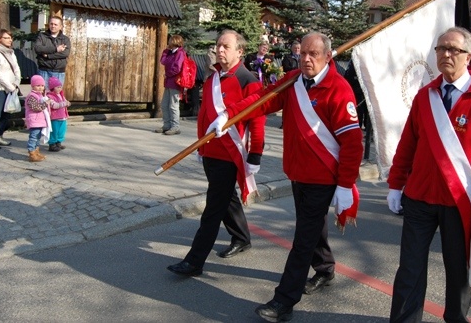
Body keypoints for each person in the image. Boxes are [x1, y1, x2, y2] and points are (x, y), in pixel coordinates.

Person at [208, 32, 363, 322]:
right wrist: (230, 114)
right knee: (311, 226)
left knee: (303, 237)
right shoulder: (293, 80)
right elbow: (261, 100)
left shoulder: (339, 90)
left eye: (313, 54)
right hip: (297, 172)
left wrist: (344, 184)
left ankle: (284, 301)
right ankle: (326, 268)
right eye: (303, 53)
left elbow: (353, 143)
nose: (306, 59)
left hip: (324, 177)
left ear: (328, 57)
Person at [386, 27, 471, 323]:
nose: (445, 54)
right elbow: (407, 145)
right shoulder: (424, 96)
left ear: (468, 56)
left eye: (452, 49)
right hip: (419, 197)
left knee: (458, 270)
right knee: (410, 269)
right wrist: (396, 184)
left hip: (459, 202)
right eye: (440, 48)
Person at [166, 30, 266, 277]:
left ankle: (194, 261)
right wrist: (201, 146)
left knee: (213, 207)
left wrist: (255, 155)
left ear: (239, 51)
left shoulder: (248, 79)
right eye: (218, 45)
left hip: (230, 154)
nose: (220, 50)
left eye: (226, 46)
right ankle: (242, 237)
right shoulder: (213, 78)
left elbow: (257, 120)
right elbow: (204, 116)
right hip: (210, 151)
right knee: (225, 198)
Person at [155, 34, 186, 135]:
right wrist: (165, 52)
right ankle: (167, 125)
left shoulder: (180, 53)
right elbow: (163, 61)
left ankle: (175, 126)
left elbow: (177, 68)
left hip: (175, 82)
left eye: (170, 41)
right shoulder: (170, 53)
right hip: (168, 82)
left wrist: (167, 74)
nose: (169, 43)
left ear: (174, 42)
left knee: (173, 105)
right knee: (164, 104)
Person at [34, 16, 71, 87]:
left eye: (55, 24)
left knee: (56, 95)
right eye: (51, 24)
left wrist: (48, 56)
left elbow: (65, 53)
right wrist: (56, 49)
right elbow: (38, 48)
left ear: (60, 27)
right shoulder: (42, 36)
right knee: (43, 95)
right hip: (44, 71)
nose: (53, 26)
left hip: (59, 72)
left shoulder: (65, 39)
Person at [25, 75, 51, 162]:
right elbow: (35, 108)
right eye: (38, 86)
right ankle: (32, 152)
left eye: (42, 86)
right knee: (33, 137)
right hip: (34, 120)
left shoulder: (40, 95)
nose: (40, 88)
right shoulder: (32, 96)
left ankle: (36, 151)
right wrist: (45, 103)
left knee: (38, 136)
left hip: (39, 121)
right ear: (33, 86)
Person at [47, 76, 71, 152]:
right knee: (54, 131)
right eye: (57, 87)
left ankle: (58, 142)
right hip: (55, 118)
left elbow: (66, 102)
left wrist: (68, 103)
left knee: (62, 131)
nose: (59, 89)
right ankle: (52, 144)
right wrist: (64, 104)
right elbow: (54, 105)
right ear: (52, 88)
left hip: (63, 117)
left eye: (60, 87)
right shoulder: (49, 96)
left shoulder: (61, 95)